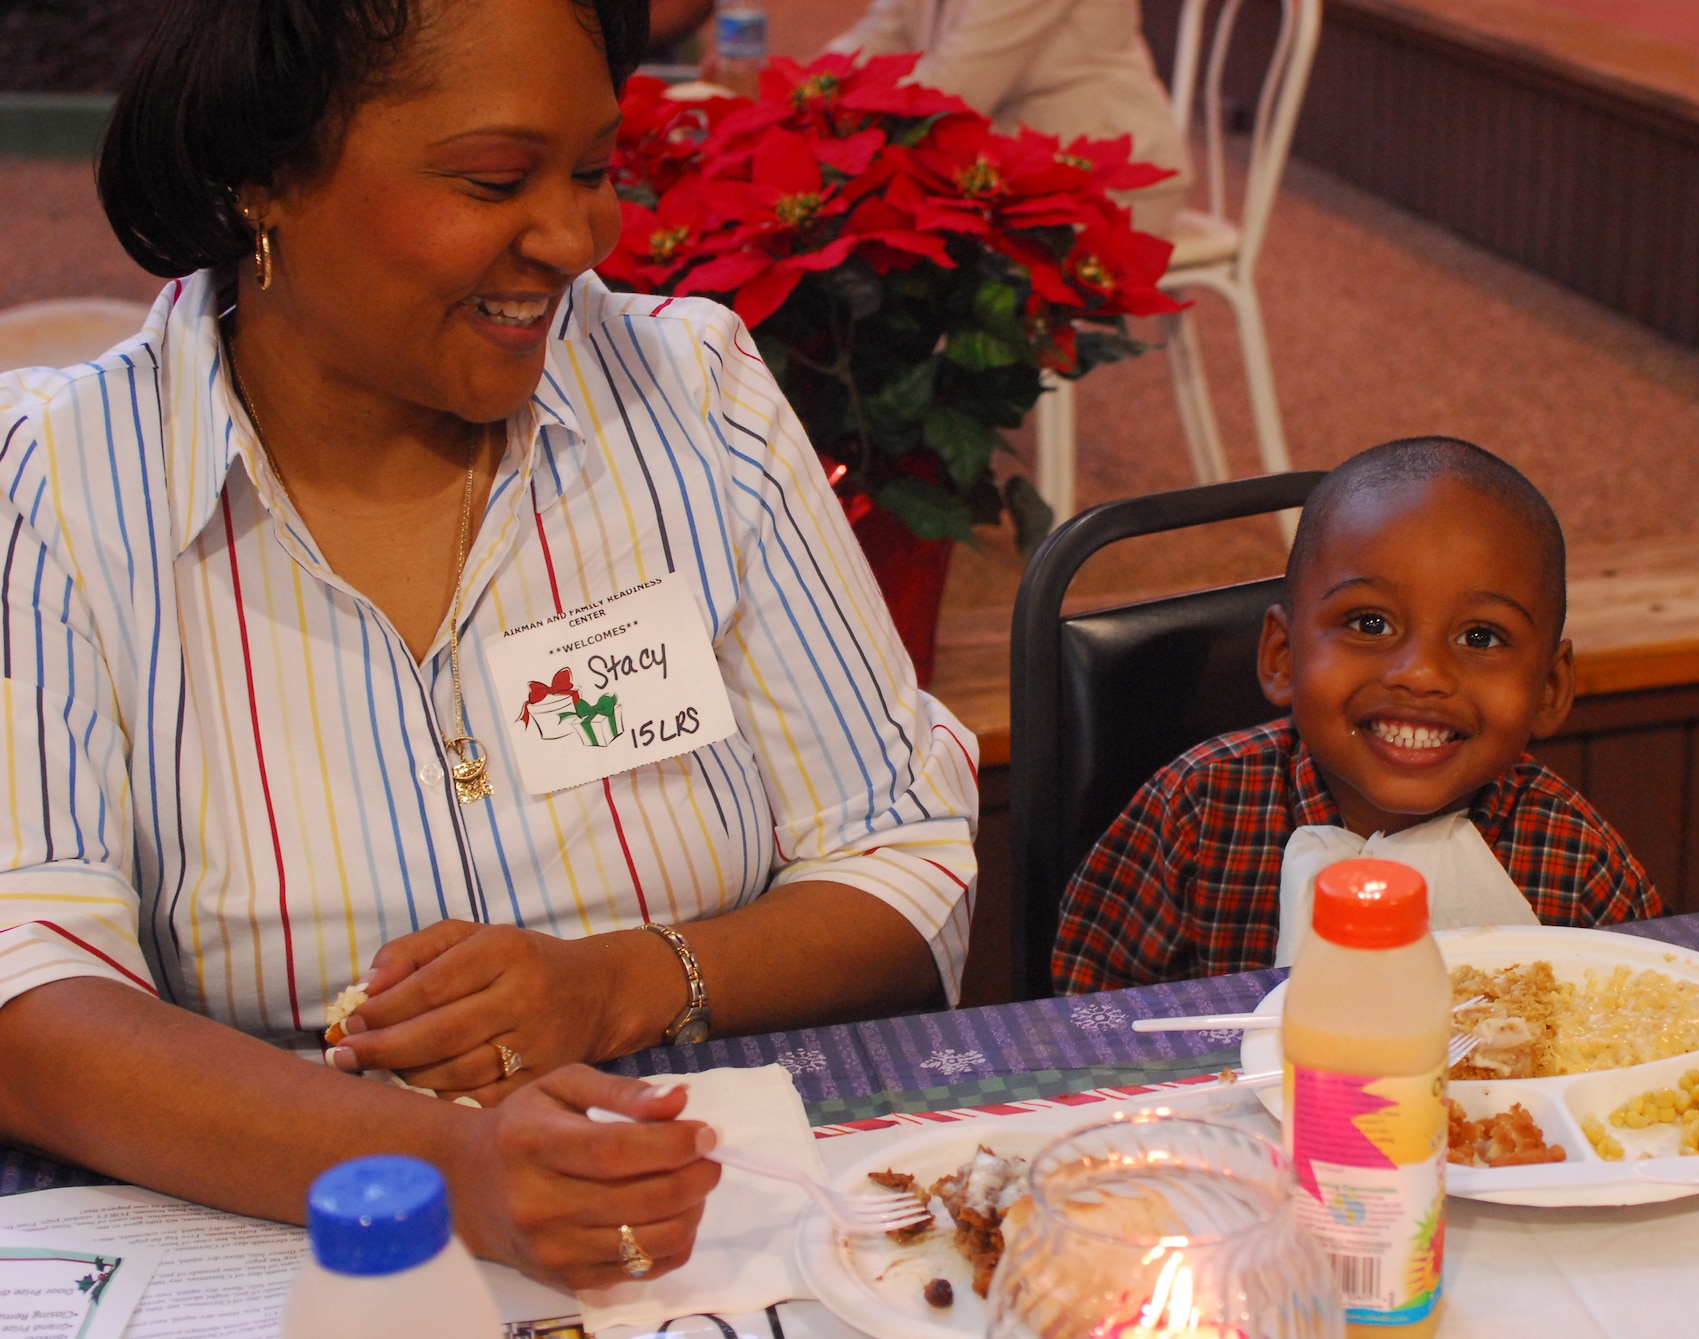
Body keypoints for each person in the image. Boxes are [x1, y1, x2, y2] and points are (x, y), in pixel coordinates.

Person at [0, 0, 977, 1290]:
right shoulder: (61, 486)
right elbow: (30, 999)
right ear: (261, 182)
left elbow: (902, 852)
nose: (572, 240)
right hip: (308, 1254)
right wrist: (441, 1169)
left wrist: (627, 981)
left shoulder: (691, 398)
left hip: (711, 1233)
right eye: (493, 180)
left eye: (592, 171)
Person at [1052, 437, 1661, 994]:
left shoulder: (1573, 855)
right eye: (1370, 624)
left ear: (1550, 688)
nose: (1421, 674)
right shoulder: (1197, 810)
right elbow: (1079, 1018)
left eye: (1480, 637)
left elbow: (1649, 1023)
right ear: (1283, 656)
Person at [827, 0, 1192, 233]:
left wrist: (843, 107)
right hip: (999, 164)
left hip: (1100, 177)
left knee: (854, 227)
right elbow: (880, 34)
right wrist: (814, 87)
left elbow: (957, 88)